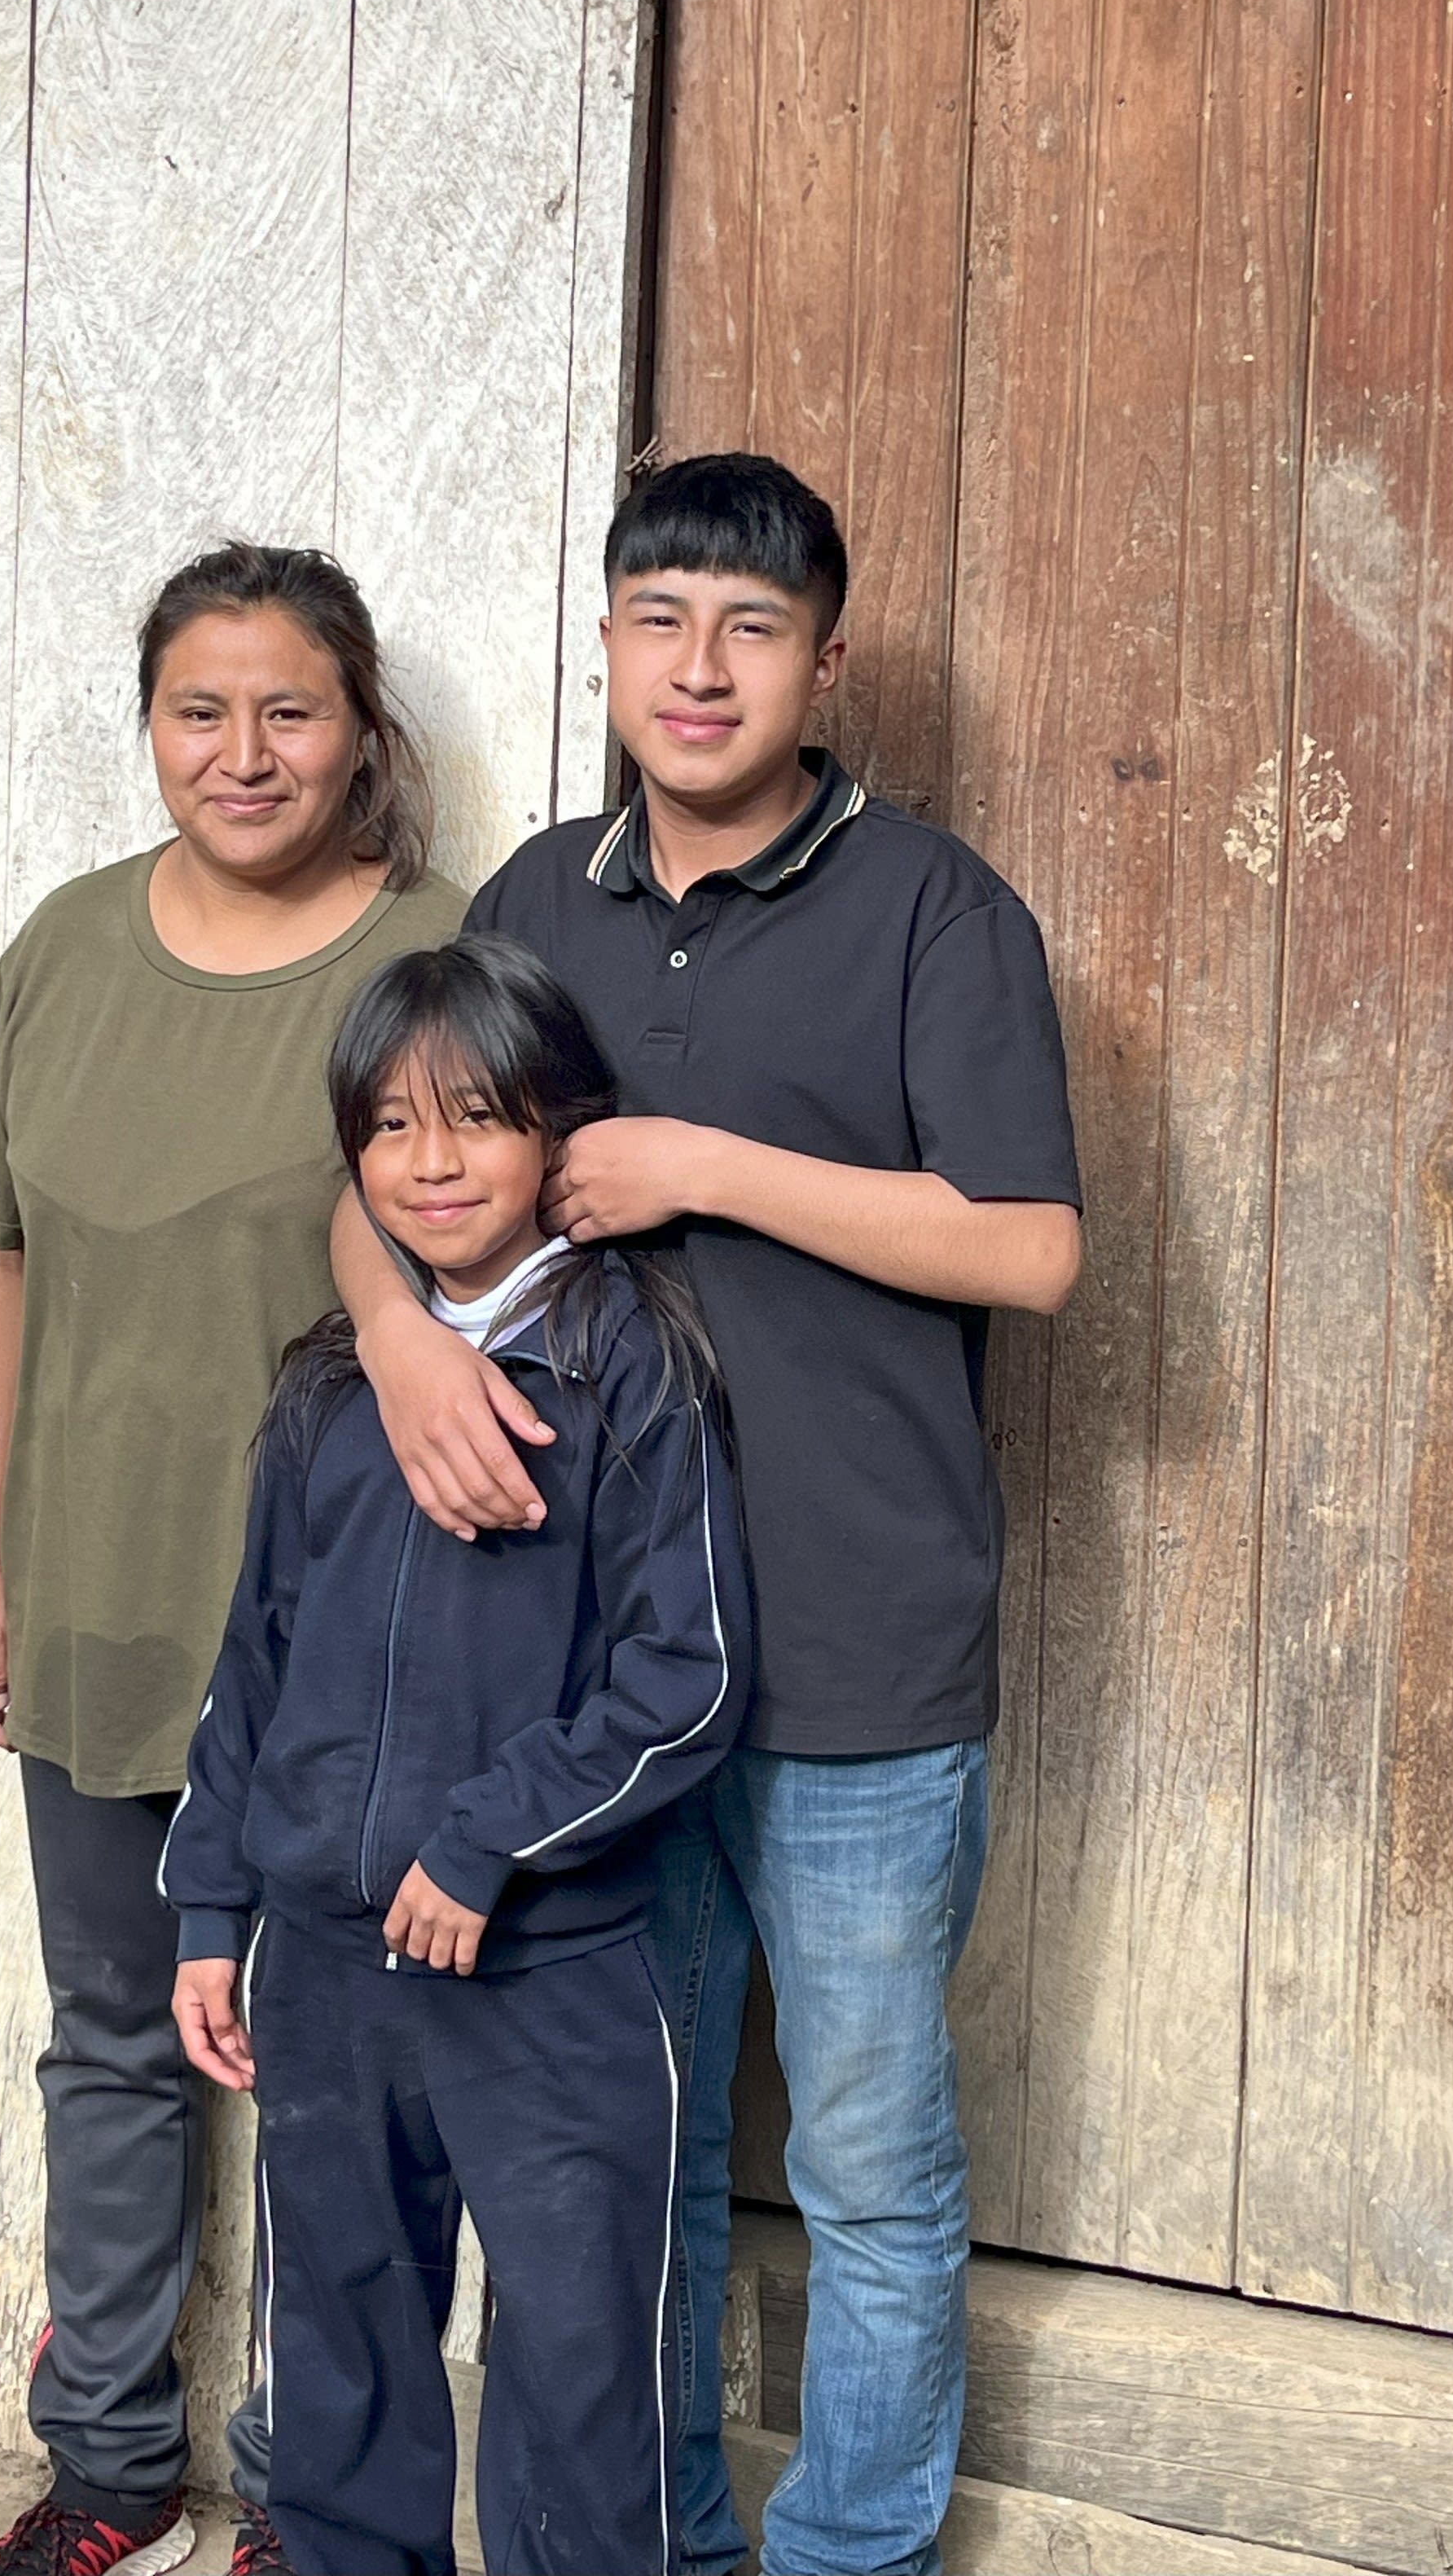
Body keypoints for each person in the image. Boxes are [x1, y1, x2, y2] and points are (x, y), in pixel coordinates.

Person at [331, 455, 1083, 2576]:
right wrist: (395, 1344)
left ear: (821, 665)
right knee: (621, 2162)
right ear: (605, 644)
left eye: (753, 629)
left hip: (856, 1652)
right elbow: (384, 1164)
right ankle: (653, 2543)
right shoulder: (536, 900)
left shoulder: (935, 908)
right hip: (588, 1676)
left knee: (867, 2167)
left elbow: (1029, 1248)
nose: (700, 666)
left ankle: (853, 2553)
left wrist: (703, 1166)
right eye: (660, 619)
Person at [0, 543, 465, 2576]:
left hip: (331, 1635)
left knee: (330, 2071)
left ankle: (314, 2499)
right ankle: (108, 2471)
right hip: (92, 1595)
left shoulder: (432, 956)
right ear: (149, 727)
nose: (243, 754)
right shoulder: (67, 948)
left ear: (359, 731)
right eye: (199, 712)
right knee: (111, 2041)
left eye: (288, 712)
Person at [165, 934, 753, 2576]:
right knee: (340, 2364)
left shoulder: (629, 1364)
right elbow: (252, 1668)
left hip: (547, 1978)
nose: (431, 1163)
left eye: (478, 1118)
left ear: (559, 1128)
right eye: (391, 1127)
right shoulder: (330, 1386)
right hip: (327, 1972)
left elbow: (688, 1675)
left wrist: (491, 1836)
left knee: (579, 2376)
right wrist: (212, 1915)